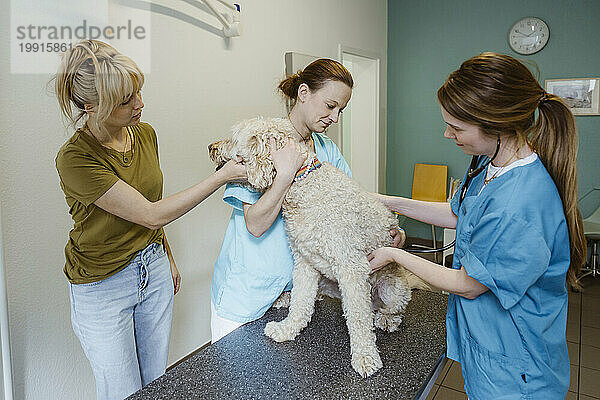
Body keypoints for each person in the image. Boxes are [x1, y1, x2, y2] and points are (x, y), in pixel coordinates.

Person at [368, 52, 585, 399]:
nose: (447, 133)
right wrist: (387, 201)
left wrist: (394, 255)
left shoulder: (521, 203)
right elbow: (459, 214)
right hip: (490, 350)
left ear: (496, 125)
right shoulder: (493, 161)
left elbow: (468, 284)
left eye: (457, 128)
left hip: (518, 370)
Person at [54, 40, 245, 400]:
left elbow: (149, 206)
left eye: (138, 92)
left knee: (156, 382)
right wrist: (221, 177)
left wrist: (165, 255)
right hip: (102, 285)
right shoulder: (75, 158)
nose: (139, 104)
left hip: (152, 268)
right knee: (122, 392)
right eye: (125, 100)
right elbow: (151, 213)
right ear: (91, 106)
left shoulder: (144, 134)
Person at [210, 59, 405, 342]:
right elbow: (255, 223)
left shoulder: (327, 150)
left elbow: (355, 202)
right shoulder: (262, 141)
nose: (335, 118)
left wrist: (389, 228)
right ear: (303, 93)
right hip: (249, 294)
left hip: (299, 294)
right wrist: (286, 174)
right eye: (330, 106)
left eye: (341, 110)